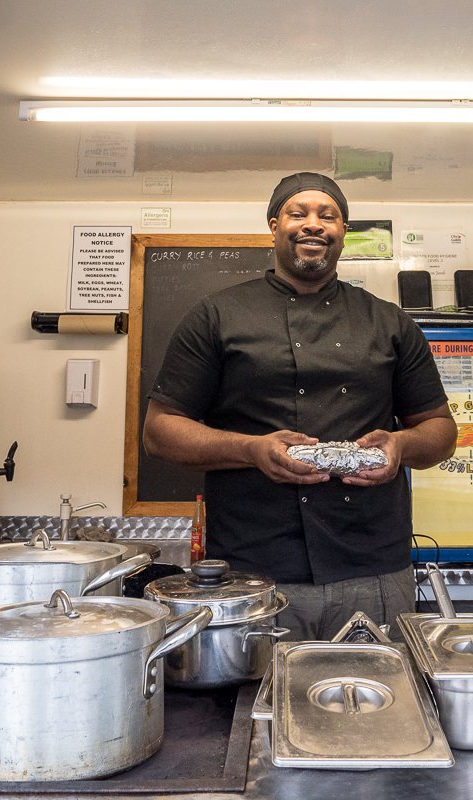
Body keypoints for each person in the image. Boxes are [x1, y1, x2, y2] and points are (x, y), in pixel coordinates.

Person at [142, 172, 456, 640]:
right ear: (274, 226)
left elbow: (441, 431)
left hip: (372, 569)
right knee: (257, 708)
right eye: (298, 213)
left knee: (375, 702)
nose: (314, 224)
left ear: (342, 232)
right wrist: (251, 450)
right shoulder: (216, 316)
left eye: (327, 215)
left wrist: (400, 446)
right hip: (253, 572)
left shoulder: (389, 322)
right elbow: (160, 429)